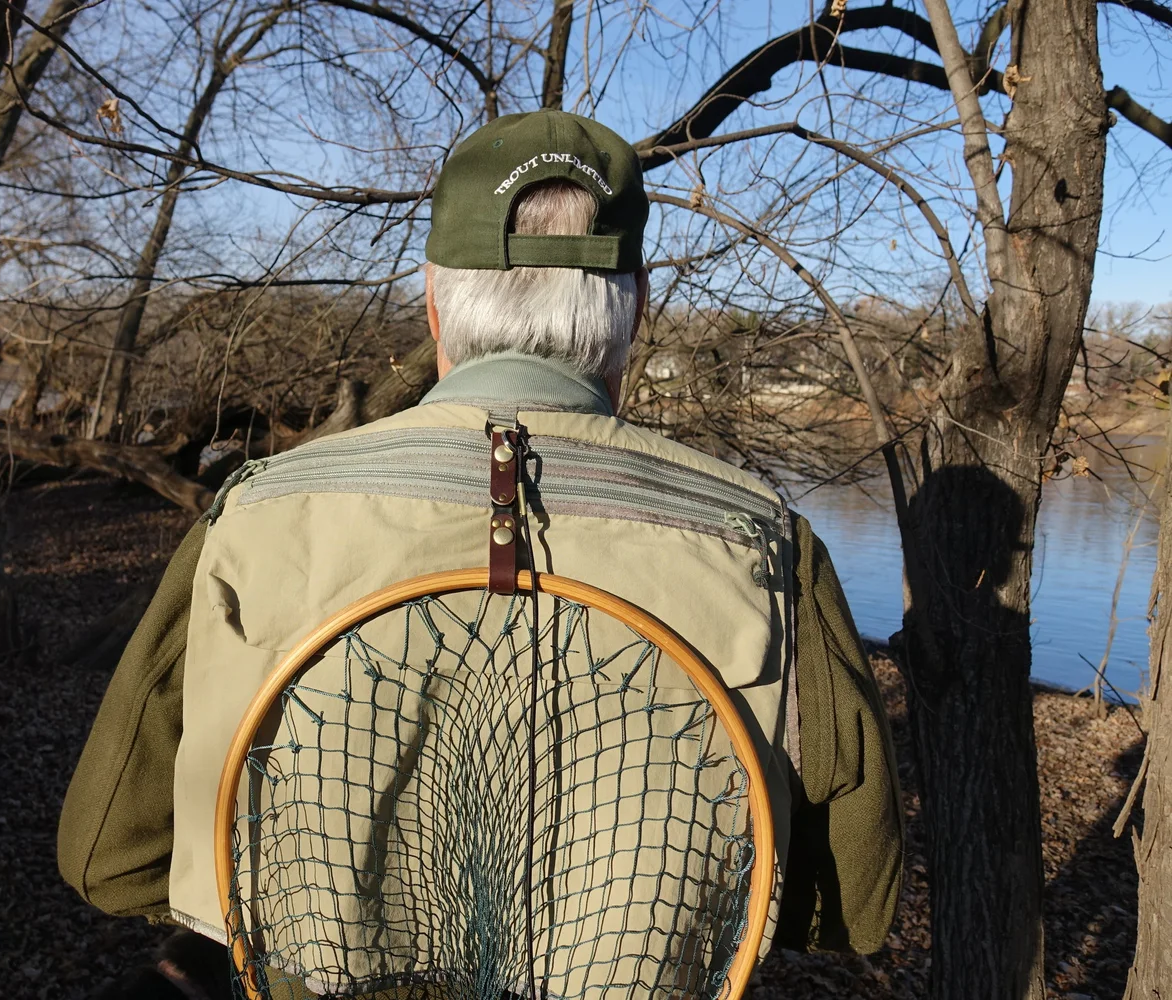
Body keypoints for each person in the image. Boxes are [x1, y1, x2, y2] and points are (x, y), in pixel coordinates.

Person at [59, 110, 903, 994]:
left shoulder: (255, 514)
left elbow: (107, 857)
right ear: (637, 307)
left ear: (433, 302)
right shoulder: (766, 541)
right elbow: (855, 906)